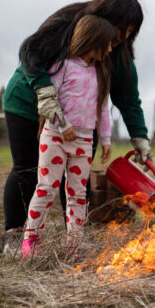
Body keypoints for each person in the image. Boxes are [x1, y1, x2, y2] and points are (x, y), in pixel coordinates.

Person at [2, 0, 152, 255]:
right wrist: (45, 93)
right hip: (28, 103)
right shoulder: (67, 23)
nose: (123, 38)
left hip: (81, 122)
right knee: (28, 171)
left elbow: (127, 98)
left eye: (130, 32)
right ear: (106, 17)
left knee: (76, 184)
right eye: (121, 28)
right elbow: (30, 51)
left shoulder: (118, 53)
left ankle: (74, 239)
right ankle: (15, 235)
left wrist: (139, 135)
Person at [21, 15, 114, 257]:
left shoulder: (101, 73)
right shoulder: (63, 66)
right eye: (108, 43)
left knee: (78, 194)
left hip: (84, 141)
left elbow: (103, 109)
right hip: (55, 137)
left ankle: (75, 243)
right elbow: (52, 99)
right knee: (47, 188)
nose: (111, 48)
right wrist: (63, 126)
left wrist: (105, 140)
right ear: (93, 40)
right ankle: (31, 240)